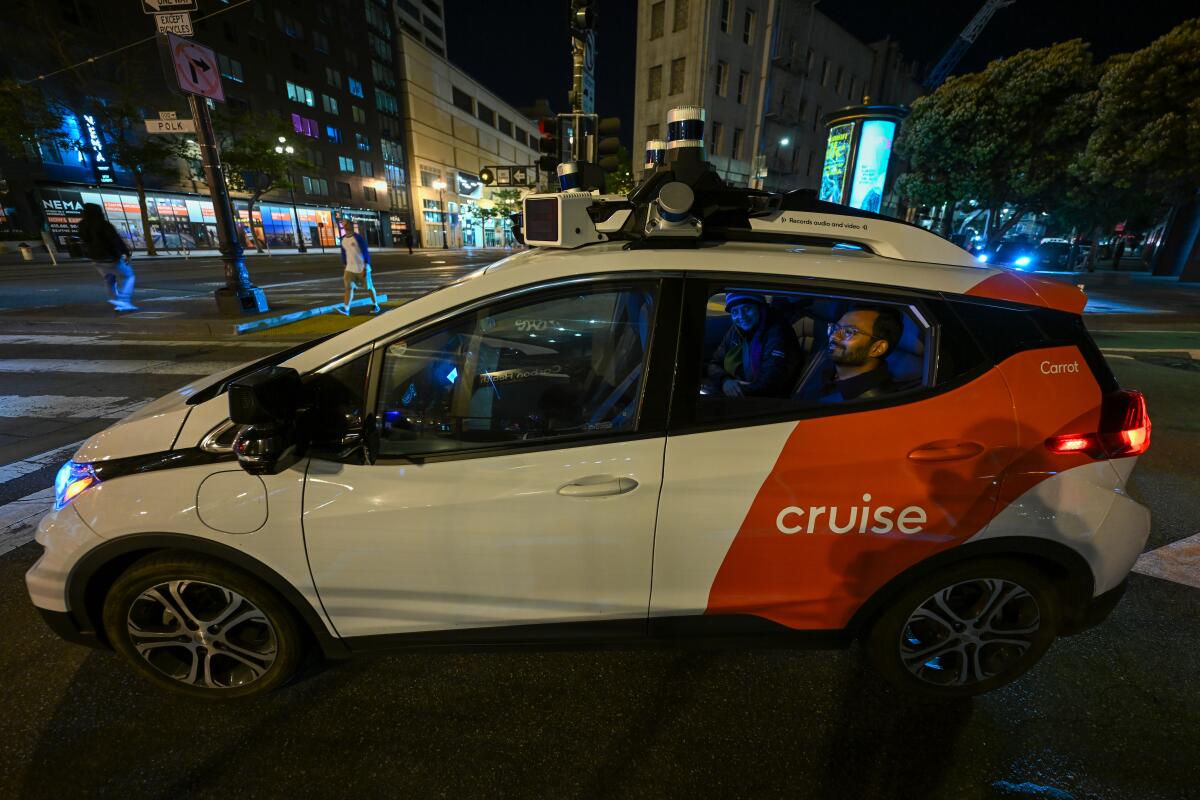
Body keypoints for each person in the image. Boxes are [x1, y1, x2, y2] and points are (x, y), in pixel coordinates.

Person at [703, 292, 802, 398]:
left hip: (764, 399)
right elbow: (714, 363)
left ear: (759, 307)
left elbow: (769, 383)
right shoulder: (736, 330)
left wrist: (731, 391)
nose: (741, 316)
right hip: (738, 384)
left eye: (746, 309)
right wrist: (725, 380)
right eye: (735, 312)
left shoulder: (777, 332)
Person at [818, 305, 903, 403]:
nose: (834, 335)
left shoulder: (871, 404)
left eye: (848, 332)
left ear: (877, 348)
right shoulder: (825, 367)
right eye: (835, 328)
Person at [77, 203, 137, 312]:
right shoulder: (103, 224)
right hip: (110, 257)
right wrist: (126, 253)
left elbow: (84, 241)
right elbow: (115, 240)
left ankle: (115, 301)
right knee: (129, 276)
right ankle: (123, 301)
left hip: (95, 258)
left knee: (109, 280)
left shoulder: (82, 225)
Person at [338, 221, 381, 315]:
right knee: (348, 288)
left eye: (346, 224)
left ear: (351, 225)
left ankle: (375, 305)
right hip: (349, 269)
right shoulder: (343, 240)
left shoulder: (358, 238)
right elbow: (343, 253)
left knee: (369, 288)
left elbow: (365, 252)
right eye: (343, 225)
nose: (344, 226)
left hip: (362, 267)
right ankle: (346, 308)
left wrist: (365, 267)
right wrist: (345, 265)